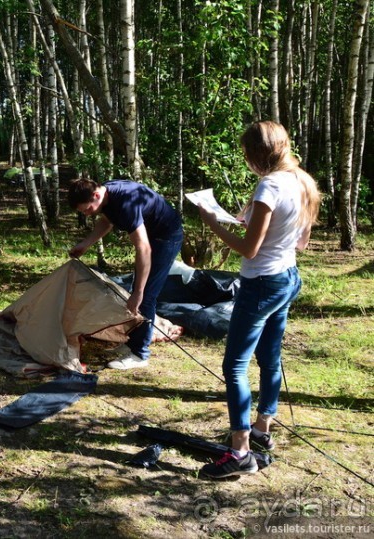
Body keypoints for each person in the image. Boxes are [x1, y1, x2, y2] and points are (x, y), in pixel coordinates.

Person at [198, 121, 320, 479]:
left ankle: (239, 453)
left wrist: (212, 222)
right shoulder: (302, 180)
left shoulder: (269, 184)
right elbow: (300, 242)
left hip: (261, 284)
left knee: (235, 365)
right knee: (270, 358)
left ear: (255, 155)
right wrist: (248, 220)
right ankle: (262, 430)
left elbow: (250, 249)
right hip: (287, 277)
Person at [68, 178, 183, 369]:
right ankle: (132, 344)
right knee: (138, 292)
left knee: (145, 295)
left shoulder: (125, 203)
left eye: (87, 209)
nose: (87, 214)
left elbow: (143, 248)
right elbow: (107, 221)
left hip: (166, 238)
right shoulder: (105, 195)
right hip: (151, 237)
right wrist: (85, 244)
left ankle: (139, 354)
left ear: (96, 195)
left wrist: (138, 292)